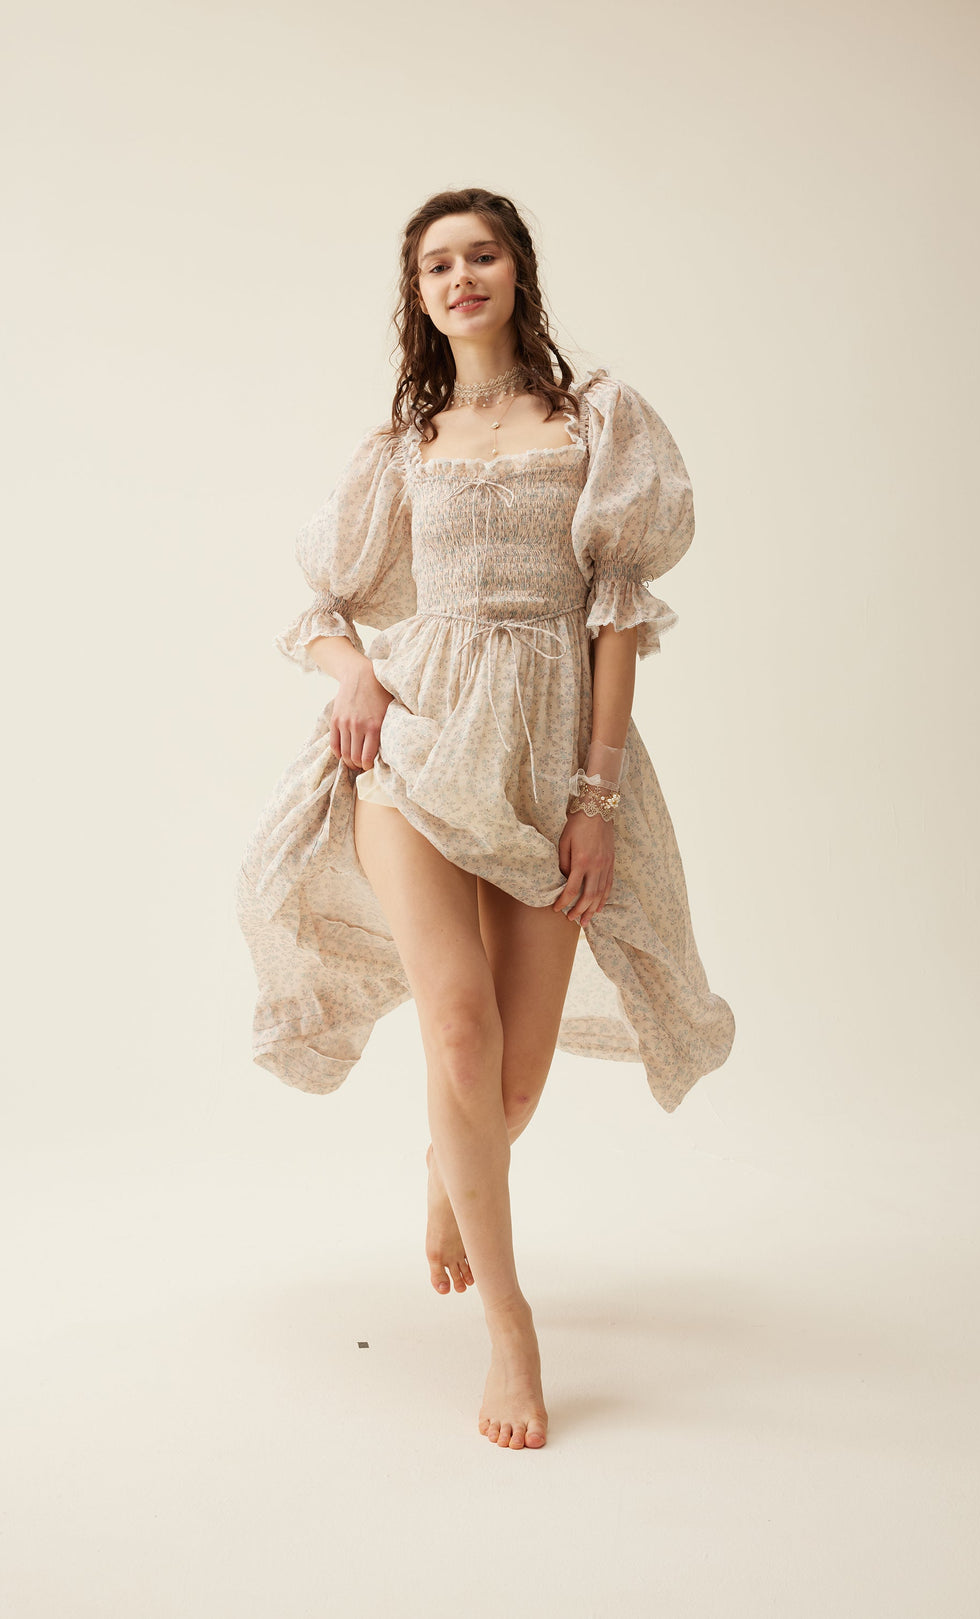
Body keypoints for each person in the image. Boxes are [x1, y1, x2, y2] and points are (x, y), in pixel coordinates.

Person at [235, 187, 735, 1451]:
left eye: (482, 255)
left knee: (512, 1074)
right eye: (436, 265)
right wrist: (355, 676)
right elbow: (320, 605)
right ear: (418, 294)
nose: (461, 278)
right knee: (457, 1029)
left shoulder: (594, 420)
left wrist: (595, 798)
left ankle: (445, 1168)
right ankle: (512, 1325)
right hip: (413, 749)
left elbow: (616, 616)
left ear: (518, 271)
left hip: (545, 765)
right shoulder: (403, 448)